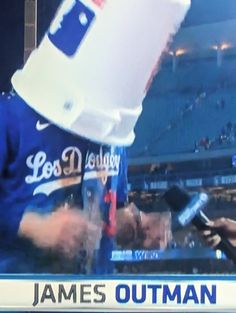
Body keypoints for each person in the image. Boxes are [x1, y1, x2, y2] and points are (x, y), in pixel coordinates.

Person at [0, 0, 190, 274]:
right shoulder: (10, 117)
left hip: (95, 292)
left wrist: (136, 223)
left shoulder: (111, 130)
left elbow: (116, 209)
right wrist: (34, 226)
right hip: (20, 294)